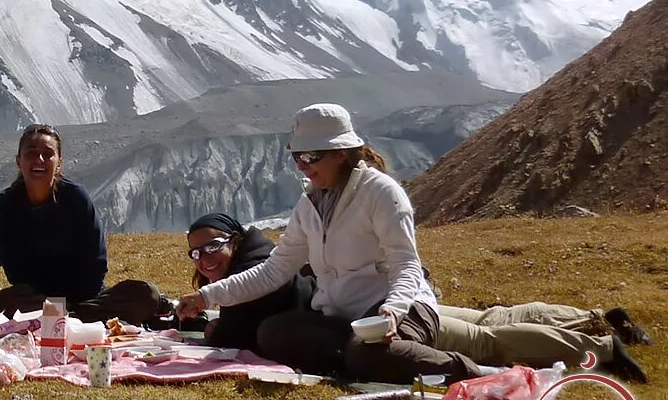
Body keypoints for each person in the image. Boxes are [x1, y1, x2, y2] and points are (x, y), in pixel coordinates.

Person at [178, 103, 481, 384]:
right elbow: (274, 269)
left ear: (341, 153)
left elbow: (406, 264)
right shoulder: (309, 203)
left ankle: (465, 372)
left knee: (365, 352)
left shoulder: (381, 193)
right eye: (297, 157)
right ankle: (361, 361)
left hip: (401, 309)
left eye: (311, 157)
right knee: (272, 333)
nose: (302, 166)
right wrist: (207, 296)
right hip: (346, 320)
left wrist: (393, 310)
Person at [0, 124, 166, 325]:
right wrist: (52, 301)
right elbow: (15, 271)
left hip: (84, 296)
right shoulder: (4, 205)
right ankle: (74, 319)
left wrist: (71, 300)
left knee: (146, 294)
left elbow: (96, 263)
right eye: (31, 153)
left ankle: (61, 319)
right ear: (19, 161)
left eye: (47, 155)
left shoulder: (75, 197)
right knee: (3, 302)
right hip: (39, 299)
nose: (39, 160)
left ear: (59, 163)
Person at [184, 212, 315, 351]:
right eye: (196, 253)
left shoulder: (253, 266)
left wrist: (217, 331)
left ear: (234, 241)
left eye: (213, 246)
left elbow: (232, 339)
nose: (205, 258)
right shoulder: (245, 259)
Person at [435, 302, 648, 382]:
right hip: (412, 301)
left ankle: (602, 349)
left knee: (482, 342)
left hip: (407, 315)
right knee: (496, 318)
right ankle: (598, 319)